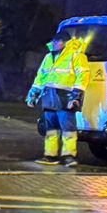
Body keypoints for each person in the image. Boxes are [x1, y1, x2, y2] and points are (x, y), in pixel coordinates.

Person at [27, 32, 85, 167]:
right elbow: (41, 77)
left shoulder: (76, 56)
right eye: (54, 40)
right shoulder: (49, 57)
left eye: (58, 41)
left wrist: (76, 95)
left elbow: (82, 77)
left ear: (66, 42)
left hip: (66, 97)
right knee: (51, 129)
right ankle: (50, 156)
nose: (54, 43)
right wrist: (34, 94)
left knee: (68, 128)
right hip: (49, 96)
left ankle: (69, 156)